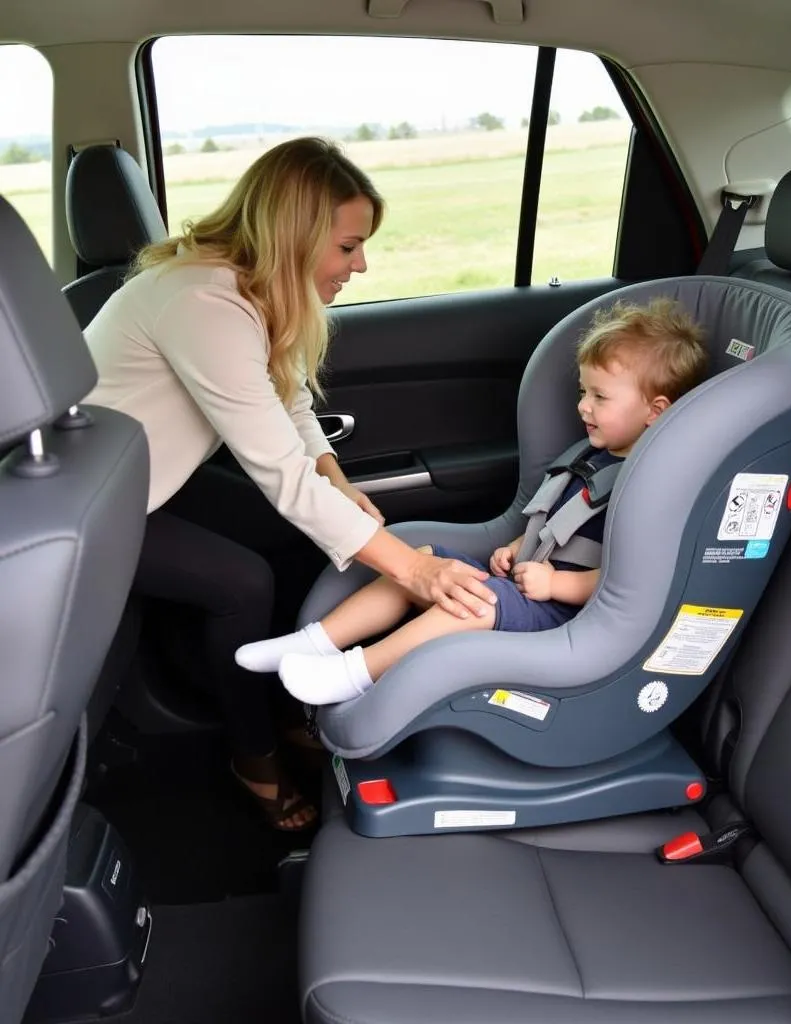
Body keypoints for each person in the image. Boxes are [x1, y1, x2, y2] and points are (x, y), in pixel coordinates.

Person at [83, 136, 496, 831]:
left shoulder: (249, 289)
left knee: (310, 541)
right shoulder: (200, 301)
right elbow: (277, 469)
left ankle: (292, 704)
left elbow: (291, 401)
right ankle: (253, 756)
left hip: (153, 476)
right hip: (100, 504)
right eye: (348, 246)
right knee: (242, 583)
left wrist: (338, 482)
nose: (361, 264)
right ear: (294, 236)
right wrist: (414, 571)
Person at [235, 297, 708, 705]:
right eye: (583, 391)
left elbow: (630, 580)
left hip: (567, 617)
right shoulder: (592, 456)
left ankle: (356, 674)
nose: (583, 405)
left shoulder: (650, 484)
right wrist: (520, 546)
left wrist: (554, 586)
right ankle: (315, 643)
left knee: (471, 602)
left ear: (656, 410)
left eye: (600, 397)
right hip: (531, 586)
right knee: (422, 565)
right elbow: (559, 521)